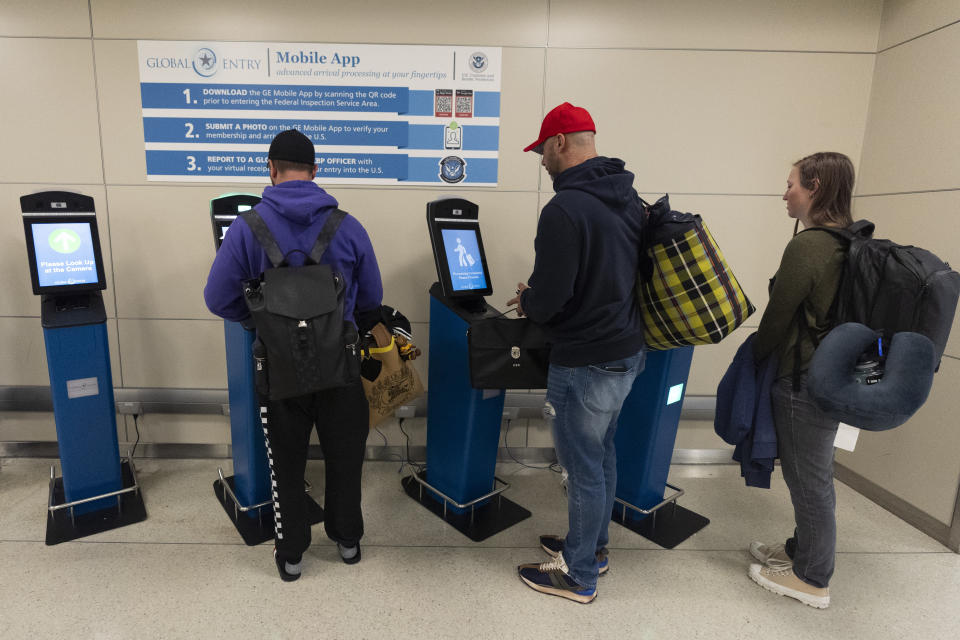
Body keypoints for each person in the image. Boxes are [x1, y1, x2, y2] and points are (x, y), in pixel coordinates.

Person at [204, 129, 383, 582]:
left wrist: (258, 321)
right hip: (341, 366)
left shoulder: (247, 229)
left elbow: (217, 298)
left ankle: (292, 556)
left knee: (286, 464)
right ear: (316, 172)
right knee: (346, 458)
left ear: (270, 169)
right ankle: (347, 542)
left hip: (278, 370)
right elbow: (371, 302)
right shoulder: (348, 225)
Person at [507, 102, 646, 604]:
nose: (542, 161)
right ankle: (595, 547)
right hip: (626, 352)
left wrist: (527, 300)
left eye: (542, 150)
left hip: (585, 359)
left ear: (560, 143)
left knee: (582, 467)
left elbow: (552, 298)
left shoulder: (564, 209)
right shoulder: (627, 198)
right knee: (602, 456)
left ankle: (579, 574)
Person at [748, 152, 856, 609]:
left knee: (809, 481)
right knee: (813, 475)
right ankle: (800, 551)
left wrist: (753, 359)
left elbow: (776, 320)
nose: (785, 193)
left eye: (791, 184)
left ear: (813, 186)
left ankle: (812, 578)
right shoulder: (850, 240)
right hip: (833, 376)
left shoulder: (810, 245)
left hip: (803, 381)